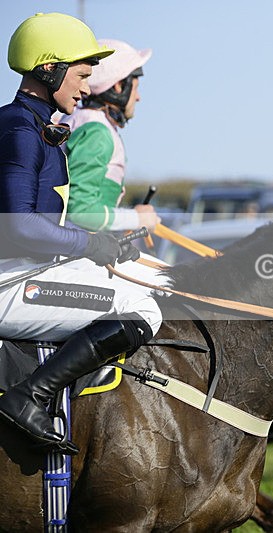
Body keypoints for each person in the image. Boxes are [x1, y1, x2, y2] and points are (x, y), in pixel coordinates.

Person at [0, 13, 161, 455]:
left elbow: (46, 222)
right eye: (82, 76)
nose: (88, 88)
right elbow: (19, 225)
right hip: (9, 285)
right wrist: (90, 243)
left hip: (21, 273)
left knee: (148, 284)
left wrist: (105, 246)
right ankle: (30, 396)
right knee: (144, 309)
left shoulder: (31, 124)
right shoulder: (19, 129)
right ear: (49, 69)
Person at [62, 38, 160, 233]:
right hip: (74, 250)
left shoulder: (78, 118)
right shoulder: (96, 131)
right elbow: (80, 211)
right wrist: (136, 218)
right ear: (118, 87)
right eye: (136, 87)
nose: (138, 97)